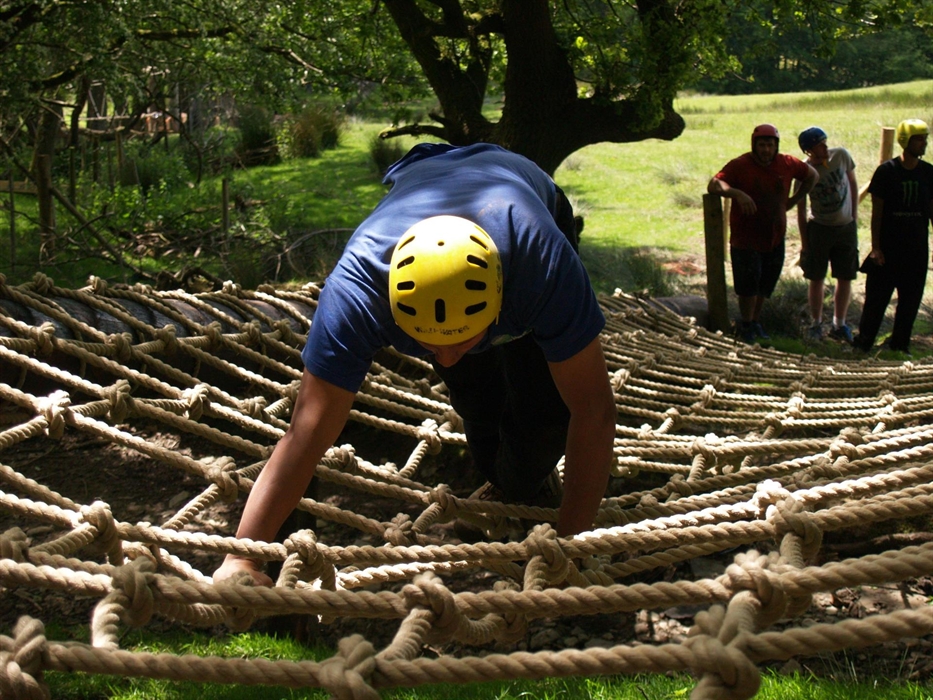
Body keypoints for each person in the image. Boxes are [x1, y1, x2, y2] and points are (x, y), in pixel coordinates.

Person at [214, 143, 617, 586]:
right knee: (474, 396)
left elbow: (592, 409)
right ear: (395, 307)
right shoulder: (357, 291)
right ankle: (507, 483)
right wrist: (242, 556)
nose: (444, 356)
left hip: (523, 196)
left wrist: (570, 547)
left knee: (546, 415)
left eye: (463, 338)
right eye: (430, 344)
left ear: (504, 300)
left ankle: (524, 482)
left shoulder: (542, 265)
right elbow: (307, 428)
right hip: (428, 184)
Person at [708, 124, 819, 344]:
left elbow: (812, 175)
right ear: (754, 145)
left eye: (770, 145)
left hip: (774, 236)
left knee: (765, 285)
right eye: (762, 145)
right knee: (748, 286)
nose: (766, 150)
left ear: (776, 146)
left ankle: (755, 321)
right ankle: (746, 325)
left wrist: (794, 200)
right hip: (745, 238)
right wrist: (736, 193)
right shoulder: (740, 165)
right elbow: (714, 184)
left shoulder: (786, 163)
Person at [853, 119, 933, 355]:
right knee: (876, 301)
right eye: (919, 139)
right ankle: (864, 343)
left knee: (910, 301)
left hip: (917, 249)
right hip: (888, 250)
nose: (924, 143)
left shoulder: (929, 172)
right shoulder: (886, 172)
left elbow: (931, 209)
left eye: (925, 138)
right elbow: (877, 214)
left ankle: (900, 345)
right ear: (905, 141)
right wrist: (876, 247)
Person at [795, 127, 859, 343]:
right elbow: (801, 208)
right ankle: (815, 323)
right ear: (809, 150)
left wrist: (854, 217)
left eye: (825, 142)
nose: (825, 147)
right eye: (819, 144)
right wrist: (805, 242)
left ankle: (839, 324)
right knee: (816, 277)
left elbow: (852, 183)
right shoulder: (804, 171)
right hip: (820, 228)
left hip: (846, 227)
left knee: (845, 276)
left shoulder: (841, 156)